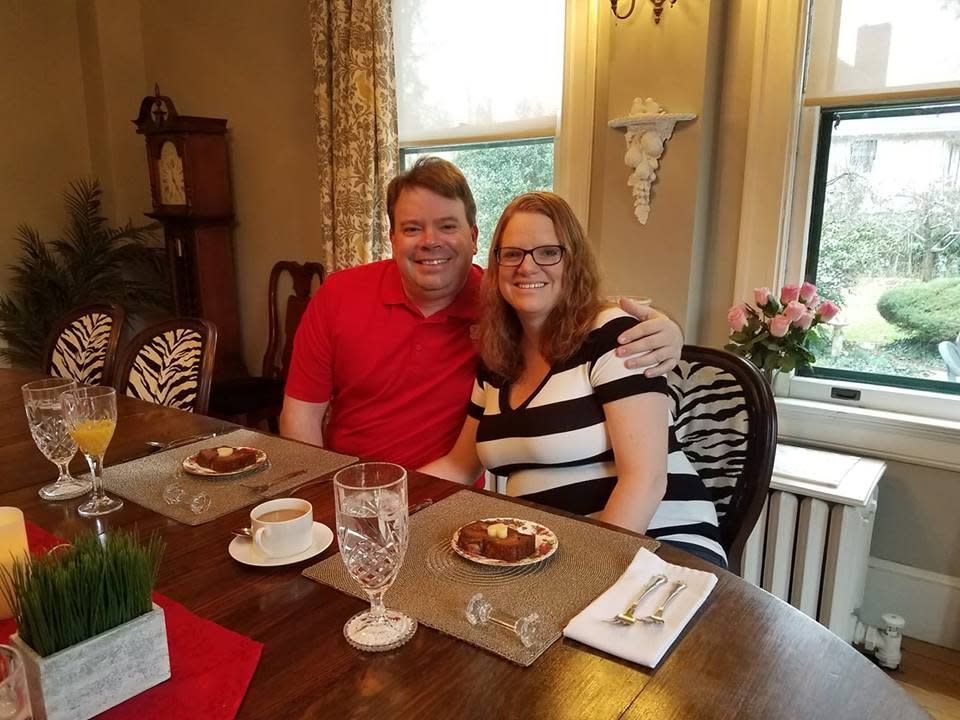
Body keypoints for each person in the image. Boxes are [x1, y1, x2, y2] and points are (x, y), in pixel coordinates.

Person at [280, 157, 685, 471]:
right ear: (392, 237)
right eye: (412, 228)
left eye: (447, 226)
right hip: (352, 488)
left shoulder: (505, 300)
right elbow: (300, 417)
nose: (430, 242)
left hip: (453, 503)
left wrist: (669, 329)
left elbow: (575, 303)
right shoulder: (339, 294)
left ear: (474, 237)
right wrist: (328, 498)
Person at [420, 191, 725, 567]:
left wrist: (585, 574)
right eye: (512, 254)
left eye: (548, 252)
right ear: (496, 267)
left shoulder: (612, 337)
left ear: (573, 262)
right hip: (552, 555)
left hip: (658, 545)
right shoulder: (497, 361)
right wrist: (384, 493)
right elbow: (459, 465)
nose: (526, 267)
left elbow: (644, 482)